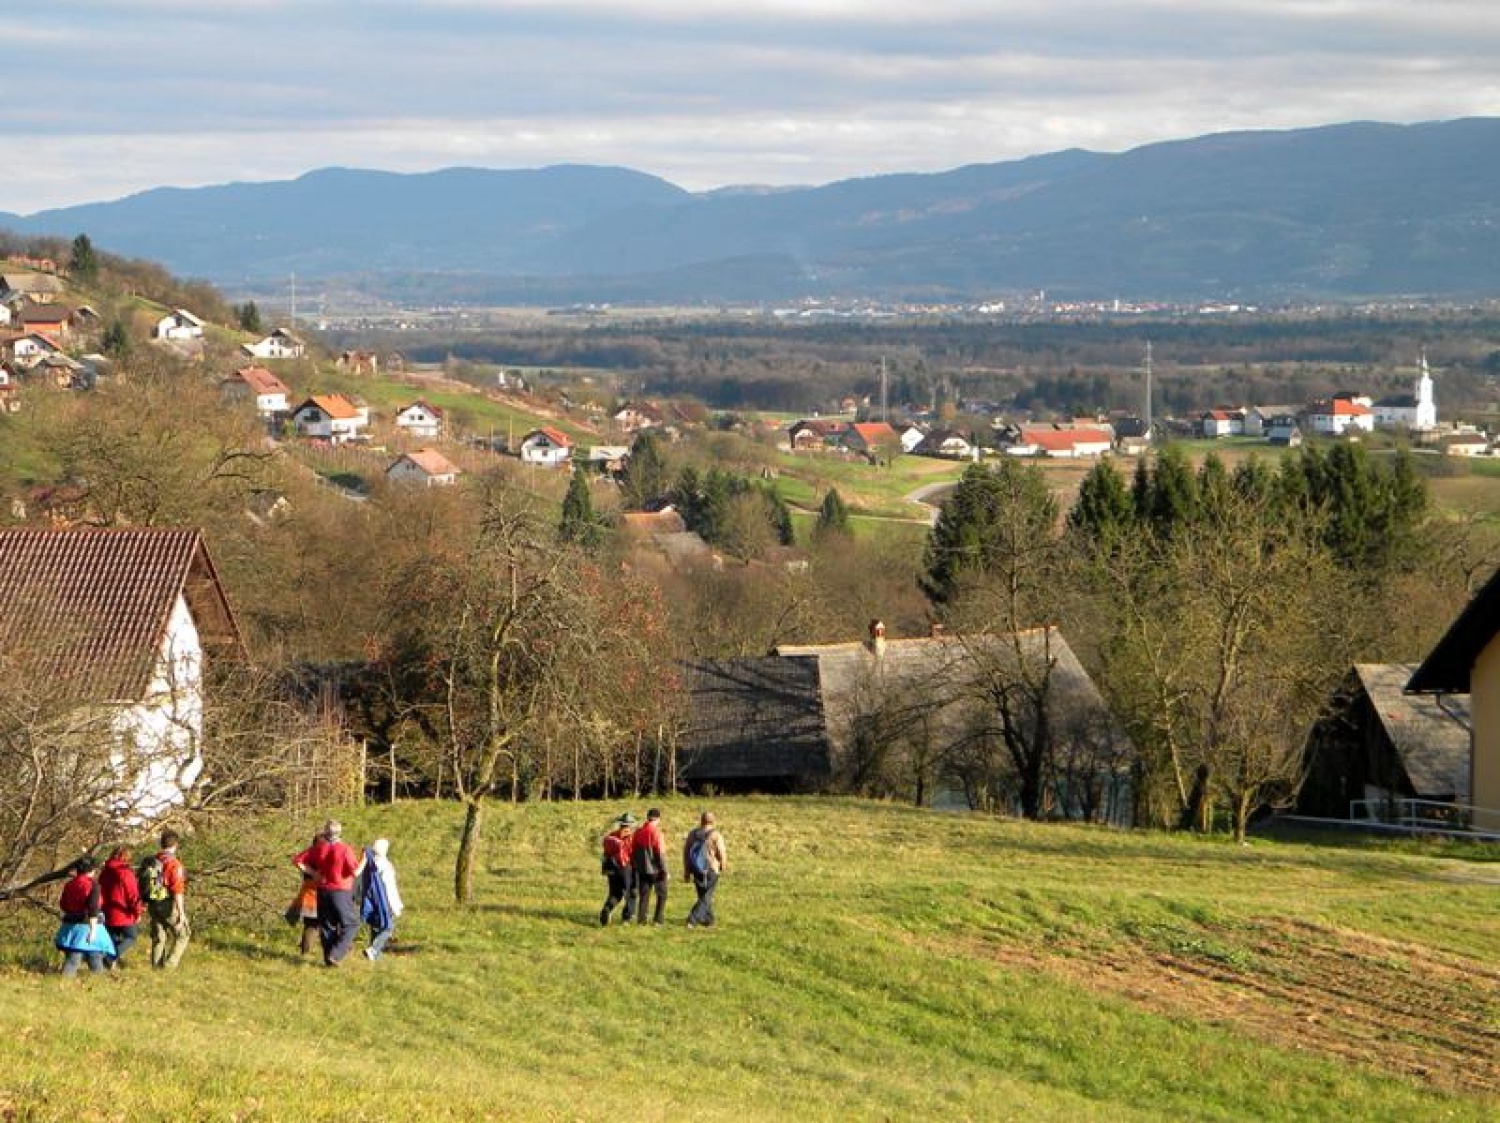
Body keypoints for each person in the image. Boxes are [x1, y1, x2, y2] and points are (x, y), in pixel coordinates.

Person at [296, 818, 364, 967]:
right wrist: (364, 860)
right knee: (351, 923)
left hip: (323, 890)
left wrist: (313, 873)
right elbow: (355, 872)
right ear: (340, 832)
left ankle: (329, 960)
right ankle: (336, 954)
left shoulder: (319, 847)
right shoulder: (345, 849)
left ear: (326, 832)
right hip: (341, 891)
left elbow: (298, 860)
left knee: (327, 926)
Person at [55, 857, 115, 976]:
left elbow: (63, 904)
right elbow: (93, 909)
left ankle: (97, 981)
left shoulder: (69, 884)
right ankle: (97, 982)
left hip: (70, 926)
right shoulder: (93, 885)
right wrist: (93, 931)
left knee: (86, 955)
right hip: (87, 926)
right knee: (84, 956)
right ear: (92, 870)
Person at [148, 829, 190, 970]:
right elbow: (177, 890)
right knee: (184, 933)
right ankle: (169, 966)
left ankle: (156, 968)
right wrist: (181, 913)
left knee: (159, 937)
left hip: (153, 902)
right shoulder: (174, 864)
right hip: (167, 903)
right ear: (176, 844)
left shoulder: (154, 860)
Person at [98, 845, 142, 968]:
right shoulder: (125, 873)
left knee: (113, 938)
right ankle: (109, 958)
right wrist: (137, 912)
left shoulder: (104, 872)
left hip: (106, 911)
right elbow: (133, 895)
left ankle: (110, 965)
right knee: (131, 937)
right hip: (123, 912)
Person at [683, 811, 728, 929]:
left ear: (701, 820)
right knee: (706, 896)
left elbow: (686, 852)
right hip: (711, 868)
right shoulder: (716, 835)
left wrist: (687, 870)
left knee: (703, 895)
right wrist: (723, 865)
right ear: (713, 821)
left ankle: (709, 921)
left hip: (696, 869)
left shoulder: (693, 834)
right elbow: (721, 852)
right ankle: (692, 919)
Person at [361, 838, 403, 960]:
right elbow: (389, 887)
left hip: (372, 899)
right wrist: (396, 905)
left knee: (376, 925)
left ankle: (375, 956)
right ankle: (373, 950)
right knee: (387, 927)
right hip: (385, 901)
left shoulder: (370, 863)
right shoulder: (385, 865)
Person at [630, 807, 668, 925]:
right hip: (656, 870)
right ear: (658, 819)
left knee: (644, 895)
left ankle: (641, 920)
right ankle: (658, 920)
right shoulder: (657, 833)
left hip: (642, 869)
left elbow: (633, 850)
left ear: (648, 818)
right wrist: (664, 870)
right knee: (662, 894)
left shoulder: (638, 832)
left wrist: (636, 866)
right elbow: (660, 854)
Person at [288, 833, 323, 957]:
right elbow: (296, 860)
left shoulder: (311, 852)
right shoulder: (314, 852)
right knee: (313, 924)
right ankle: (306, 952)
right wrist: (313, 873)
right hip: (314, 894)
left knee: (311, 924)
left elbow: (297, 860)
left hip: (311, 893)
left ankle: (305, 951)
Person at [599, 812, 636, 926]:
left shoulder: (612, 835)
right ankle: (626, 918)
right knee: (631, 893)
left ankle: (607, 909)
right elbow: (632, 853)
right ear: (630, 824)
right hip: (625, 868)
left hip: (611, 868)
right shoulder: (631, 837)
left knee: (615, 892)